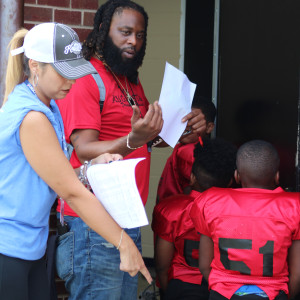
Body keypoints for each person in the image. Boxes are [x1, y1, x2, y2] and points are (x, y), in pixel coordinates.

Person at [55, 0, 208, 299]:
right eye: (125, 32)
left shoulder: (129, 80)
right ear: (102, 29)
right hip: (93, 225)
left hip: (127, 219)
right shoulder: (87, 78)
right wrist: (135, 139)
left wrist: (185, 130)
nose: (133, 41)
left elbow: (146, 137)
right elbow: (85, 149)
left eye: (140, 35)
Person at [0, 22, 152, 300]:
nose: (71, 81)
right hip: (8, 249)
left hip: (29, 247)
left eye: (75, 72)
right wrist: (123, 242)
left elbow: (50, 176)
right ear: (35, 65)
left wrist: (89, 169)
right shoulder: (32, 116)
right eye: (63, 72)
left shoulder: (50, 105)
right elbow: (70, 192)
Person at [190, 140, 300, 300]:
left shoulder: (210, 201)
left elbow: (204, 265)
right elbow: (297, 273)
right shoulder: (294, 206)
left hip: (223, 293)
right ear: (277, 176)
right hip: (273, 293)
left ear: (236, 175)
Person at [152, 138, 237, 300]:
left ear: (192, 178)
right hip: (223, 287)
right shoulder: (238, 211)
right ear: (230, 181)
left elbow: (162, 266)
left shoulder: (170, 209)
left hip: (182, 286)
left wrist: (167, 292)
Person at [156, 96, 216, 203]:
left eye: (192, 121)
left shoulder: (189, 152)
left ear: (209, 127)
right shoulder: (182, 148)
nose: (186, 126)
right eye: (182, 120)